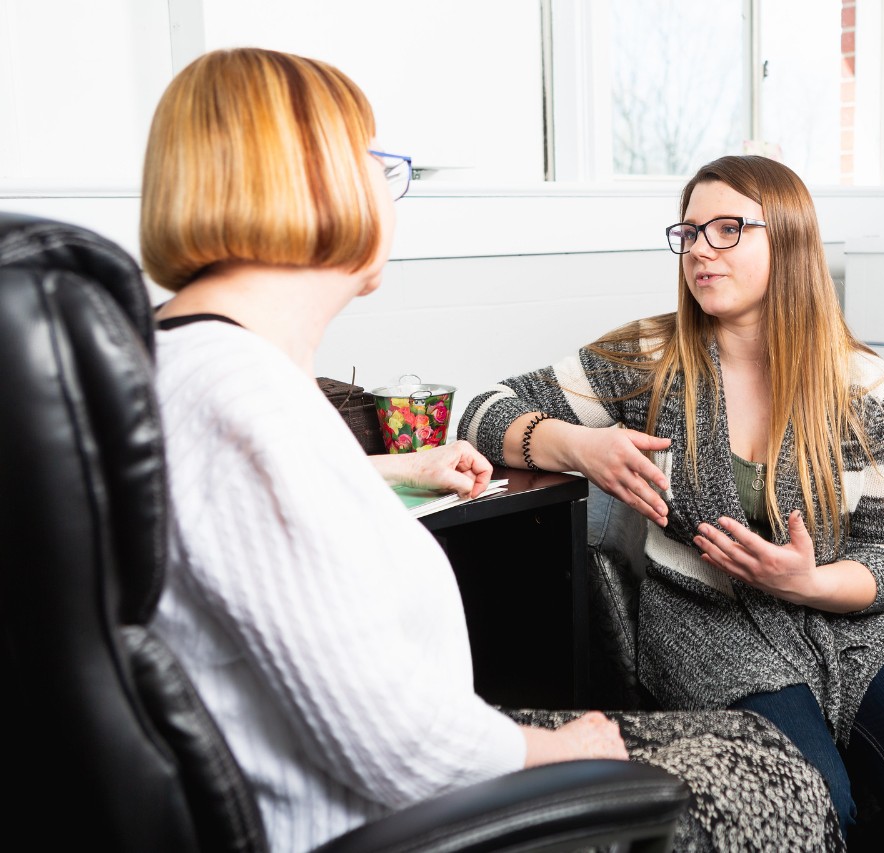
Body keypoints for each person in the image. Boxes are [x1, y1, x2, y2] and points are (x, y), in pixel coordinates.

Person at [142, 48, 840, 852]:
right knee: (772, 781)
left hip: (390, 768)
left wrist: (396, 466)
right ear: (311, 181)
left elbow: (248, 502)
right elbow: (398, 745)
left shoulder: (194, 364)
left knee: (759, 748)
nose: (388, 189)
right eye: (374, 163)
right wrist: (566, 749)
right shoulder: (240, 399)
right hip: (378, 810)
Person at [459, 154, 884, 850]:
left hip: (851, 617)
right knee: (809, 794)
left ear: (790, 239)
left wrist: (809, 581)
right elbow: (480, 410)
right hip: (706, 618)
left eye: (727, 229)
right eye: (689, 233)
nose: (701, 250)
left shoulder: (865, 384)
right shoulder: (652, 358)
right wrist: (582, 447)